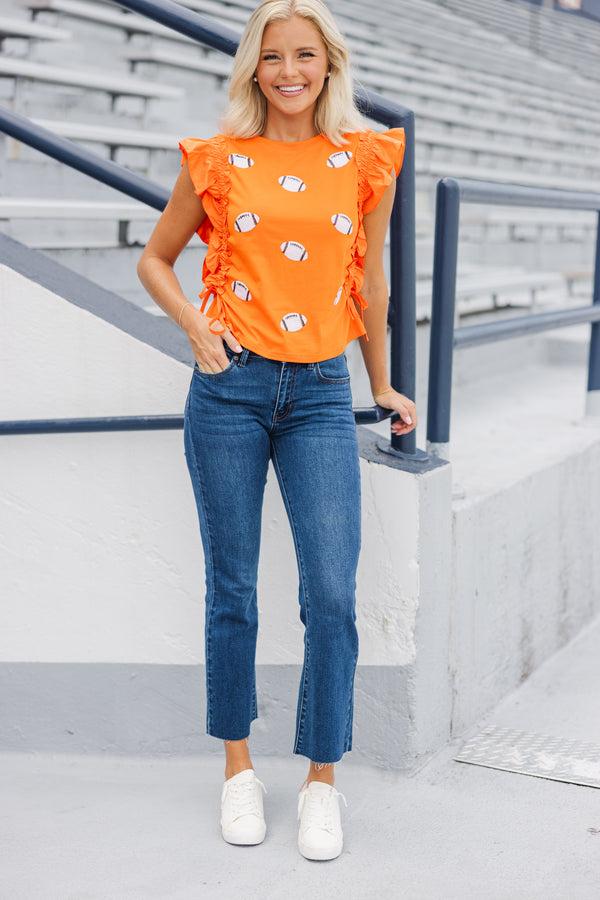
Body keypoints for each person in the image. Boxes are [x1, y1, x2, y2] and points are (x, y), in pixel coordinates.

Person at [137, 0, 417, 862]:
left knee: (331, 595)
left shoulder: (364, 159)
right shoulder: (218, 161)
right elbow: (155, 258)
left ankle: (322, 781)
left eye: (304, 55)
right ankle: (237, 769)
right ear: (253, 69)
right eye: (272, 57)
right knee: (234, 591)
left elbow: (369, 282)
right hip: (228, 391)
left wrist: (382, 384)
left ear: (328, 64)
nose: (289, 70)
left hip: (324, 395)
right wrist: (193, 324)